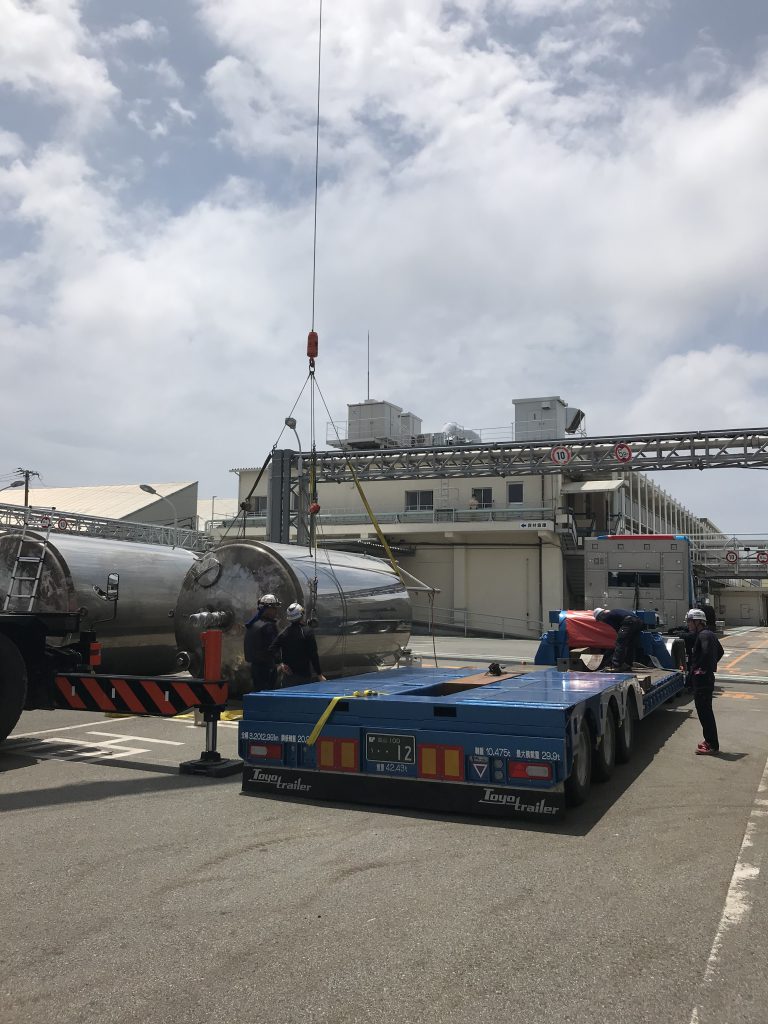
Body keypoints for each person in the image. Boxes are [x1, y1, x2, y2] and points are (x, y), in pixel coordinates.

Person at [686, 607, 724, 755]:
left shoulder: (703, 635)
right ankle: (710, 742)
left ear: (698, 622)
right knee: (706, 711)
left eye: (690, 621)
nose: (688, 624)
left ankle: (711, 745)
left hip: (702, 680)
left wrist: (700, 669)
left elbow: (707, 652)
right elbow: (720, 652)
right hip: (706, 678)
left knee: (704, 713)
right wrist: (710, 666)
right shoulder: (710, 634)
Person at [270, 603, 326, 686]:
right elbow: (313, 655)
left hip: (288, 676)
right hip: (304, 675)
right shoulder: (307, 632)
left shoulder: (284, 633)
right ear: (302, 615)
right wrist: (319, 674)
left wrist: (281, 663)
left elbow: (272, 648)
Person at [243, 593, 281, 690]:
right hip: (267, 668)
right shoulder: (269, 626)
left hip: (255, 667)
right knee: (268, 693)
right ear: (268, 609)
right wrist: (279, 662)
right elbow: (274, 647)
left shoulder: (253, 624)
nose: (276, 611)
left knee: (259, 691)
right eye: (274, 608)